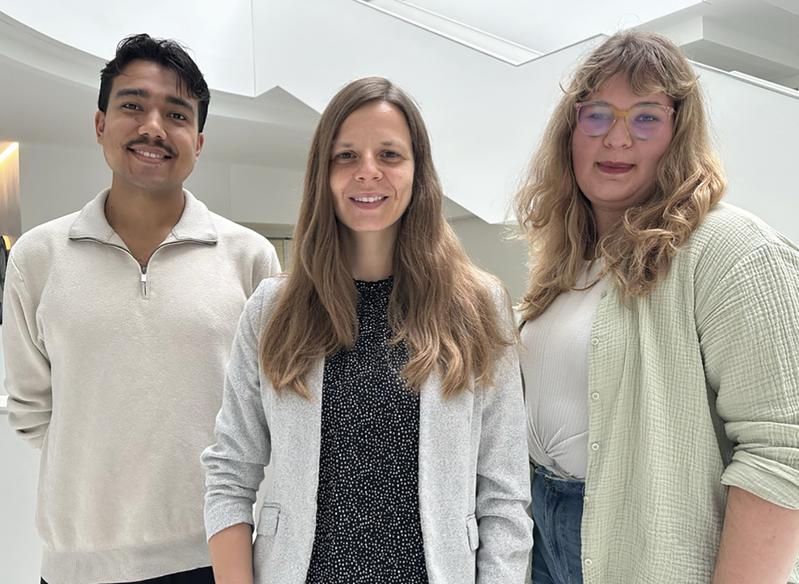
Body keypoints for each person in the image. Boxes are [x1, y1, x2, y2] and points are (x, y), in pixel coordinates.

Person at [201, 76, 532, 584]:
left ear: (418, 172)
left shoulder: (478, 306)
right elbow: (229, 473)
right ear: (323, 174)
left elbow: (504, 496)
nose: (368, 172)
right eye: (346, 156)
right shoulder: (273, 309)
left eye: (390, 155)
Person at [515, 30, 799, 584]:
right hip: (542, 527)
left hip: (640, 545)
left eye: (645, 117)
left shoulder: (730, 248)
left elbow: (785, 449)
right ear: (570, 131)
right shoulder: (571, 261)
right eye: (598, 115)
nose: (618, 140)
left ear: (678, 134)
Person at [2, 34, 279, 584]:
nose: (153, 126)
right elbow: (33, 411)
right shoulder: (38, 256)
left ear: (198, 141)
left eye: (176, 113)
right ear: (101, 123)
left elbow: (270, 413)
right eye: (133, 105)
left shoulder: (250, 257)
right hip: (77, 568)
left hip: (214, 560)